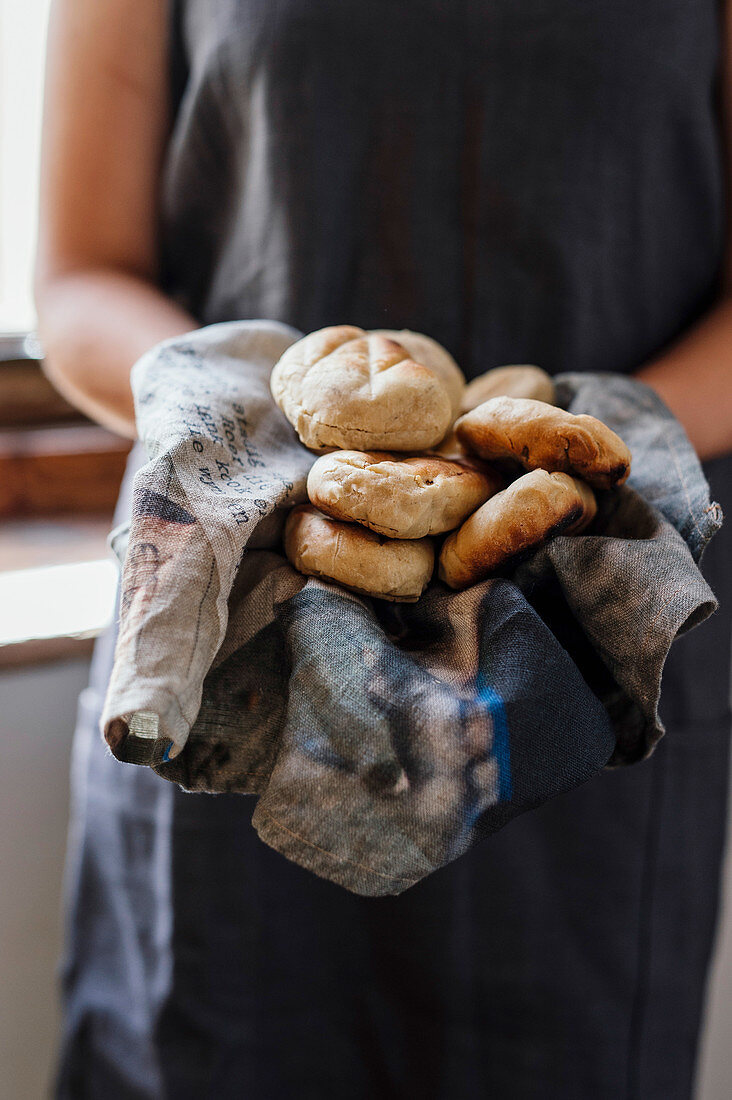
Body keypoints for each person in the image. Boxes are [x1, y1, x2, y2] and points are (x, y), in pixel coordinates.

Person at [35, 1, 732, 1097]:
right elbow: (79, 276)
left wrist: (575, 454)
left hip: (585, 634)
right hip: (233, 630)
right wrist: (259, 429)